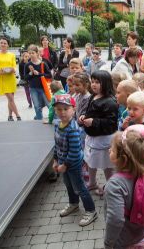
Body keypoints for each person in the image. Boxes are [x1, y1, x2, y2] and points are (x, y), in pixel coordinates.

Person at [52, 94, 97, 227]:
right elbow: (56, 145)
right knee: (68, 185)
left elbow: (74, 151)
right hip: (62, 163)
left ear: (74, 109)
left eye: (66, 109)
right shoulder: (57, 124)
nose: (63, 112)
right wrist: (55, 160)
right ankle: (73, 204)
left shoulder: (72, 129)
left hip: (73, 164)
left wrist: (64, 165)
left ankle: (91, 211)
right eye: (59, 109)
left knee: (80, 188)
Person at [104, 131, 144, 248]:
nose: (109, 150)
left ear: (123, 159)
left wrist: (108, 243)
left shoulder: (115, 185)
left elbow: (115, 220)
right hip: (141, 235)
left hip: (123, 241)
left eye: (113, 149)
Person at [79, 70, 118, 195]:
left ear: (105, 84)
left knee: (107, 165)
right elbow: (91, 112)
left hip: (103, 139)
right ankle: (92, 183)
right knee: (91, 160)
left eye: (97, 82)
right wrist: (84, 116)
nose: (93, 85)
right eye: (93, 81)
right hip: (93, 137)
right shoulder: (93, 96)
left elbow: (111, 123)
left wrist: (94, 122)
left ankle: (110, 187)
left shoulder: (110, 102)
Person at [0, 36, 21, 121]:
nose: (3, 44)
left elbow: (14, 65)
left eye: (5, 43)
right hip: (2, 77)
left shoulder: (11, 55)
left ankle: (10, 116)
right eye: (1, 43)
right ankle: (18, 116)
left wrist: (13, 69)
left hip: (11, 77)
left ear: (8, 45)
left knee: (10, 99)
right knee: (11, 98)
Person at [25, 44, 52, 120]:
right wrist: (31, 73)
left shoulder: (42, 63)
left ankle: (53, 119)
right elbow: (25, 77)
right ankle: (39, 121)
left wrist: (39, 74)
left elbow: (49, 75)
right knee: (37, 106)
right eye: (29, 53)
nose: (31, 55)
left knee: (49, 105)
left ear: (37, 53)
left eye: (33, 53)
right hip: (33, 88)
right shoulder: (28, 65)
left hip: (43, 88)